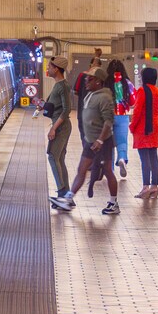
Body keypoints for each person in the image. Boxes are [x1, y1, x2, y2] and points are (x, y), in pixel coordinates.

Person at [54, 72, 120, 214]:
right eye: (86, 79)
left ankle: (114, 203)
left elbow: (108, 121)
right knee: (81, 170)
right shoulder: (90, 95)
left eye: (90, 79)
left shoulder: (105, 97)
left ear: (98, 81)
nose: (86, 81)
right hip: (91, 141)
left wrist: (100, 140)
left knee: (108, 171)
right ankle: (69, 199)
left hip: (103, 142)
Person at [41, 58, 73, 196]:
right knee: (59, 159)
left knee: (53, 157)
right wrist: (43, 105)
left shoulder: (63, 86)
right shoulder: (58, 85)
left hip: (61, 127)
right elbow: (56, 106)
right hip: (61, 126)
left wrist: (53, 128)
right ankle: (66, 194)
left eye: (49, 67)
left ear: (56, 69)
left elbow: (66, 109)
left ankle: (62, 193)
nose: (47, 69)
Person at [132, 66, 158, 199]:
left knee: (144, 158)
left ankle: (145, 187)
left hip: (143, 127)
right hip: (155, 125)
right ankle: (154, 186)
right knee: (153, 156)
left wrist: (132, 126)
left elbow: (137, 110)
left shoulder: (142, 90)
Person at [107, 59, 133, 175]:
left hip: (108, 116)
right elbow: (133, 101)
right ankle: (122, 158)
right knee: (122, 141)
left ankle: (110, 169)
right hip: (122, 116)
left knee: (109, 143)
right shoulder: (127, 83)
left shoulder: (106, 82)